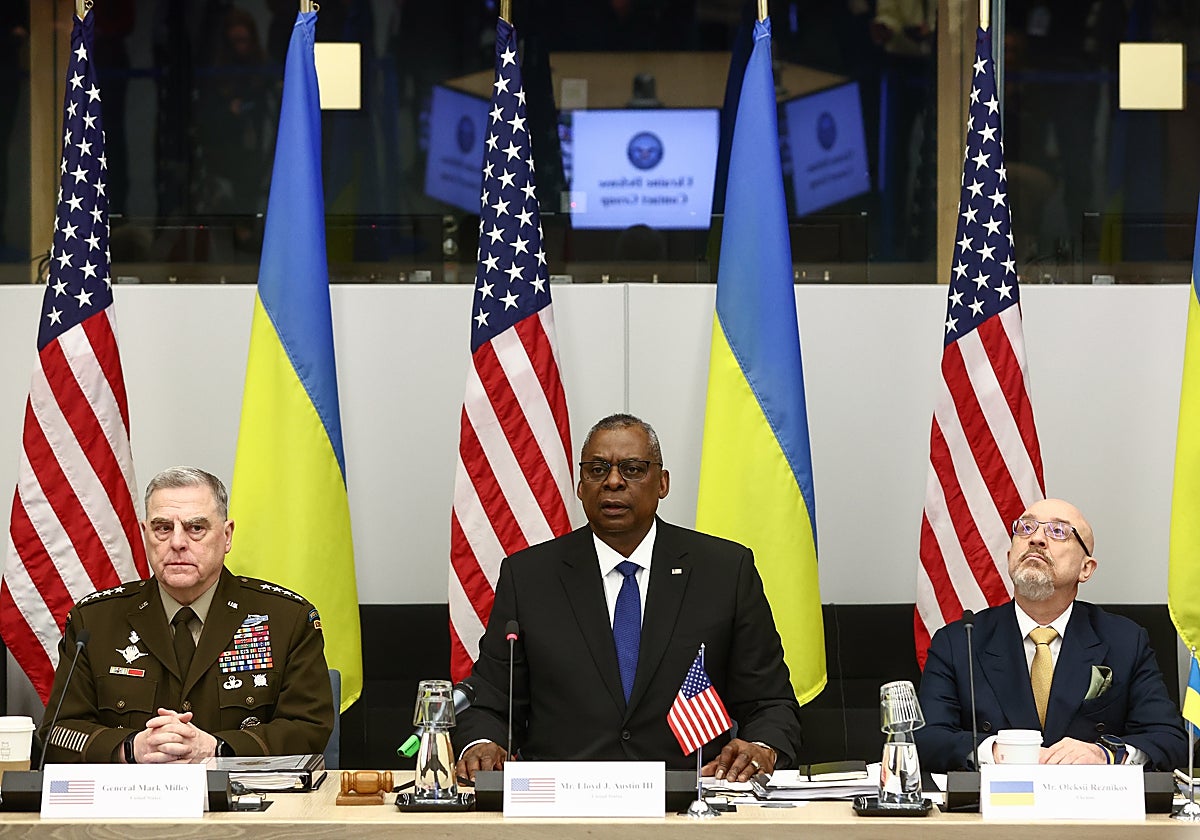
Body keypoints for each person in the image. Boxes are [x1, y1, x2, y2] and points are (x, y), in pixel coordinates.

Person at [454, 414, 801, 782]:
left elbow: (770, 703)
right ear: (580, 485)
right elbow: (492, 700)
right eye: (597, 469)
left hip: (689, 801)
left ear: (663, 483)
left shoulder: (724, 572)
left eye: (633, 469)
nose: (614, 481)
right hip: (561, 802)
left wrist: (760, 748)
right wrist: (482, 742)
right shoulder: (529, 577)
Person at [39, 467, 334, 764]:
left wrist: (218, 749)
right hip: (131, 803)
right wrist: (130, 747)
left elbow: (309, 729)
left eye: (196, 528)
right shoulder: (95, 622)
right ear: (145, 535)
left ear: (227, 535)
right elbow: (57, 733)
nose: (177, 542)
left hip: (246, 803)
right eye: (163, 528)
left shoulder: (286, 619)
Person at [916, 498, 1186, 771]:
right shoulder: (960, 641)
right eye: (1026, 528)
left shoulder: (1125, 641)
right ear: (1010, 558)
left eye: (1058, 531)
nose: (1036, 539)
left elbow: (1169, 740)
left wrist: (1105, 755)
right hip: (991, 808)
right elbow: (927, 738)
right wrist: (997, 751)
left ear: (1086, 569)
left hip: (1089, 805)